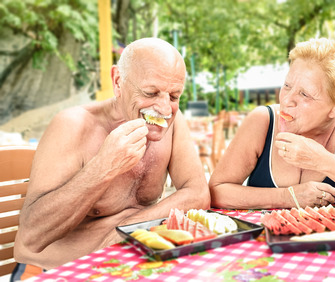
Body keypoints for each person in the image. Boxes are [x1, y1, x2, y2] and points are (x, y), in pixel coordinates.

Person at [13, 38, 210, 274]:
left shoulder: (172, 123)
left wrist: (126, 229)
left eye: (174, 96)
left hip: (127, 263)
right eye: (151, 92)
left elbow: (198, 193)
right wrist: (103, 167)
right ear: (118, 81)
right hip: (56, 270)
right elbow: (31, 237)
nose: (165, 109)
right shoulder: (73, 125)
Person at [209, 38, 335, 213]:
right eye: (287, 86)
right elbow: (217, 191)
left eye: (304, 94)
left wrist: (321, 160)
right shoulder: (263, 120)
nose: (287, 100)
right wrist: (288, 197)